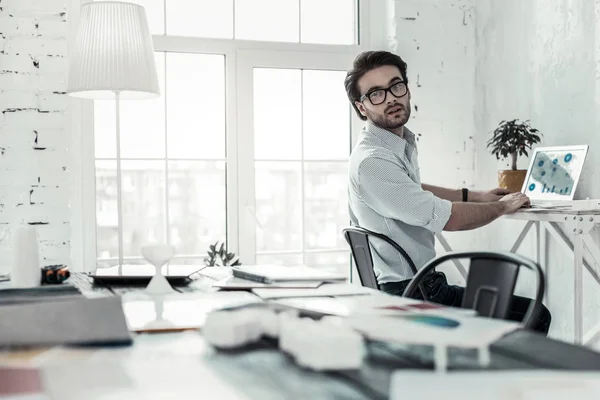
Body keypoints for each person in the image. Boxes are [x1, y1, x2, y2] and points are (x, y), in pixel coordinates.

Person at [344, 50, 551, 335]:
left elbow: (413, 190)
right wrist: (503, 206)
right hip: (412, 297)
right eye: (376, 94)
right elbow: (448, 219)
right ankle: (492, 377)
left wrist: (475, 196)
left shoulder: (389, 147)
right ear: (361, 107)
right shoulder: (373, 161)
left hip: (410, 288)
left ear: (407, 89)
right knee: (534, 315)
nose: (391, 97)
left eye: (396, 86)